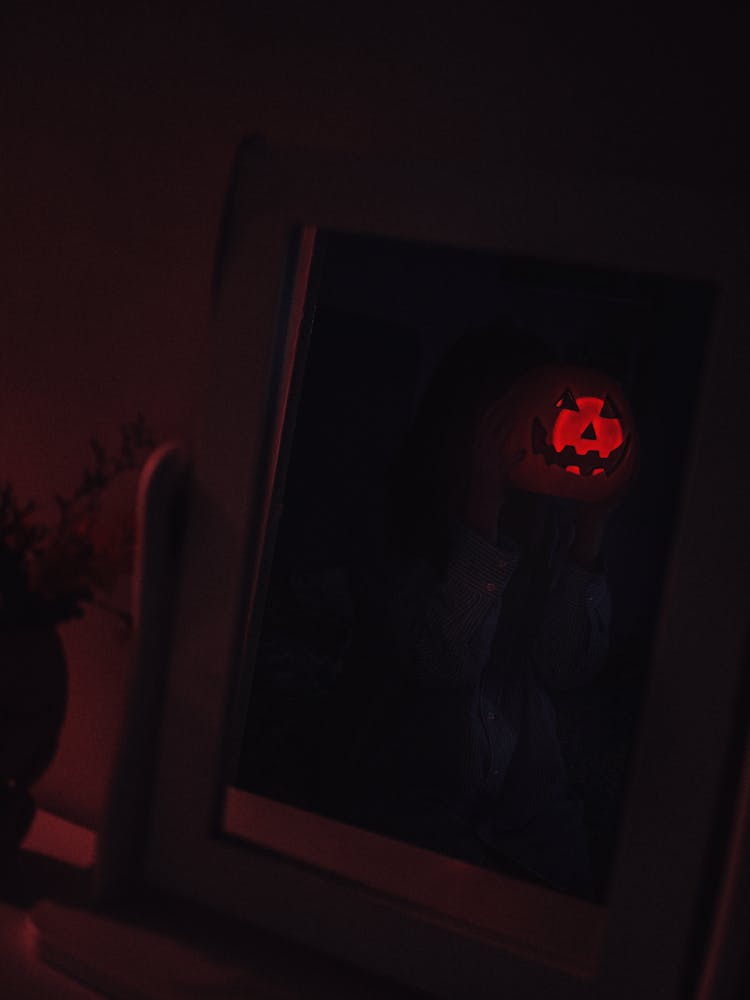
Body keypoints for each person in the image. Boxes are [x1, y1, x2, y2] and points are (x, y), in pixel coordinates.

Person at [337, 324, 617, 897]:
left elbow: (565, 668)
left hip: (529, 804)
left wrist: (590, 531)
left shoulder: (549, 524)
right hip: (421, 792)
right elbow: (442, 661)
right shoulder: (404, 520)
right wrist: (482, 505)